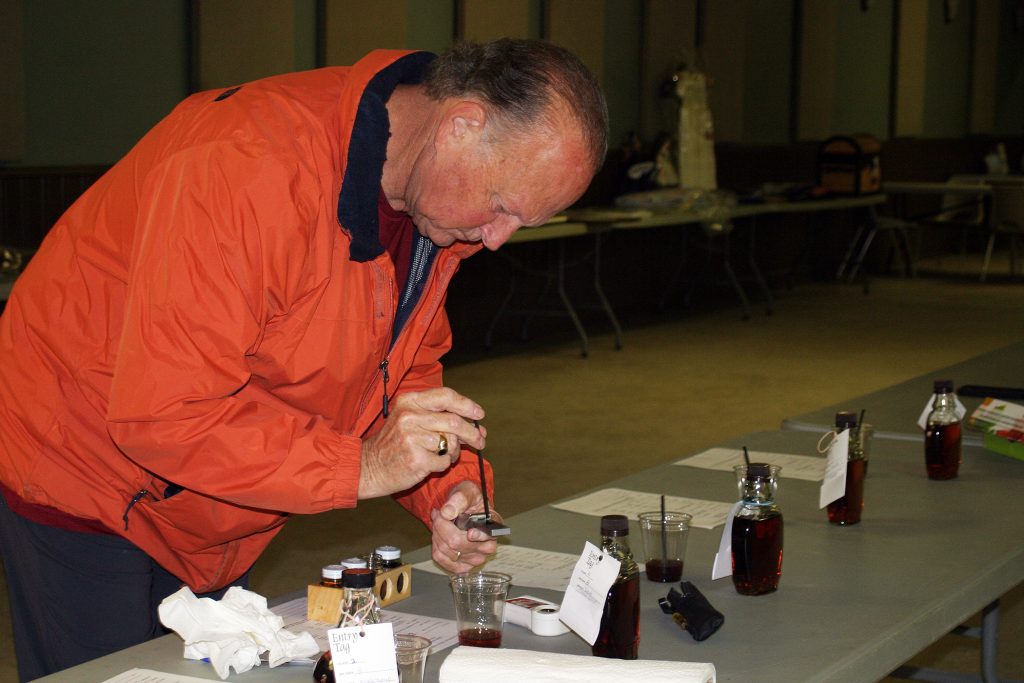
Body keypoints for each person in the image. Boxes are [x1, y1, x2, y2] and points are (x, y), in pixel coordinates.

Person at [0, 38, 608, 680]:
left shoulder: (432, 207)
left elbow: (401, 370)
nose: (496, 239)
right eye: (504, 206)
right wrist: (360, 466)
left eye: (523, 224)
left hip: (212, 486)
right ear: (461, 124)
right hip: (83, 461)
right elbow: (163, 417)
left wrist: (443, 488)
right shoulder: (246, 168)